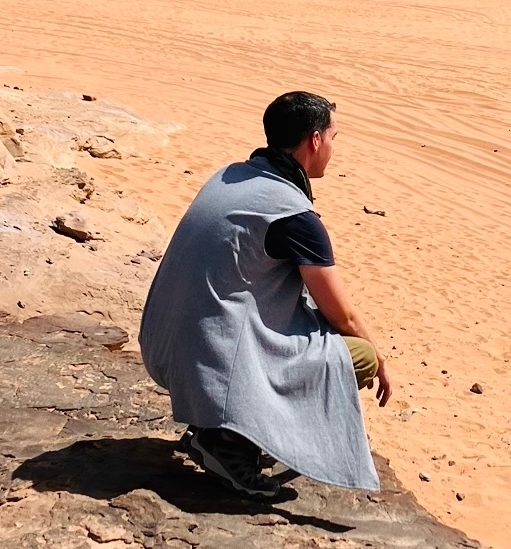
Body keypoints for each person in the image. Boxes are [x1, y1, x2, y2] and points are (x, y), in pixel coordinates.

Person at [138, 91, 391, 501]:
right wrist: (381, 358)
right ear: (314, 141)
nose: (332, 147)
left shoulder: (230, 176)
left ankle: (218, 429)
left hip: (163, 345)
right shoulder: (292, 213)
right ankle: (228, 445)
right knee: (357, 357)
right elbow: (341, 315)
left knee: (302, 324)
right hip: (207, 363)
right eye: (333, 136)